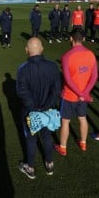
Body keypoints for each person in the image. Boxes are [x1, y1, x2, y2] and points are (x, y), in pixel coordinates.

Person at [17, 37, 61, 179]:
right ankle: (49, 164)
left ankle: (30, 167)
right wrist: (45, 107)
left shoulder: (23, 69)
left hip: (30, 111)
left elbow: (22, 92)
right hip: (46, 110)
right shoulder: (53, 66)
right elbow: (56, 90)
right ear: (42, 49)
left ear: (26, 51)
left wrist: (34, 108)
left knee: (31, 138)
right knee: (46, 135)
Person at [55, 28, 98, 156]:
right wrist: (85, 94)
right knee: (82, 118)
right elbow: (94, 76)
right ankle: (83, 143)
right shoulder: (91, 54)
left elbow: (68, 80)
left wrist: (80, 94)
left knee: (65, 121)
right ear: (83, 39)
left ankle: (63, 147)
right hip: (83, 96)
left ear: (71, 39)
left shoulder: (66, 56)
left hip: (69, 95)